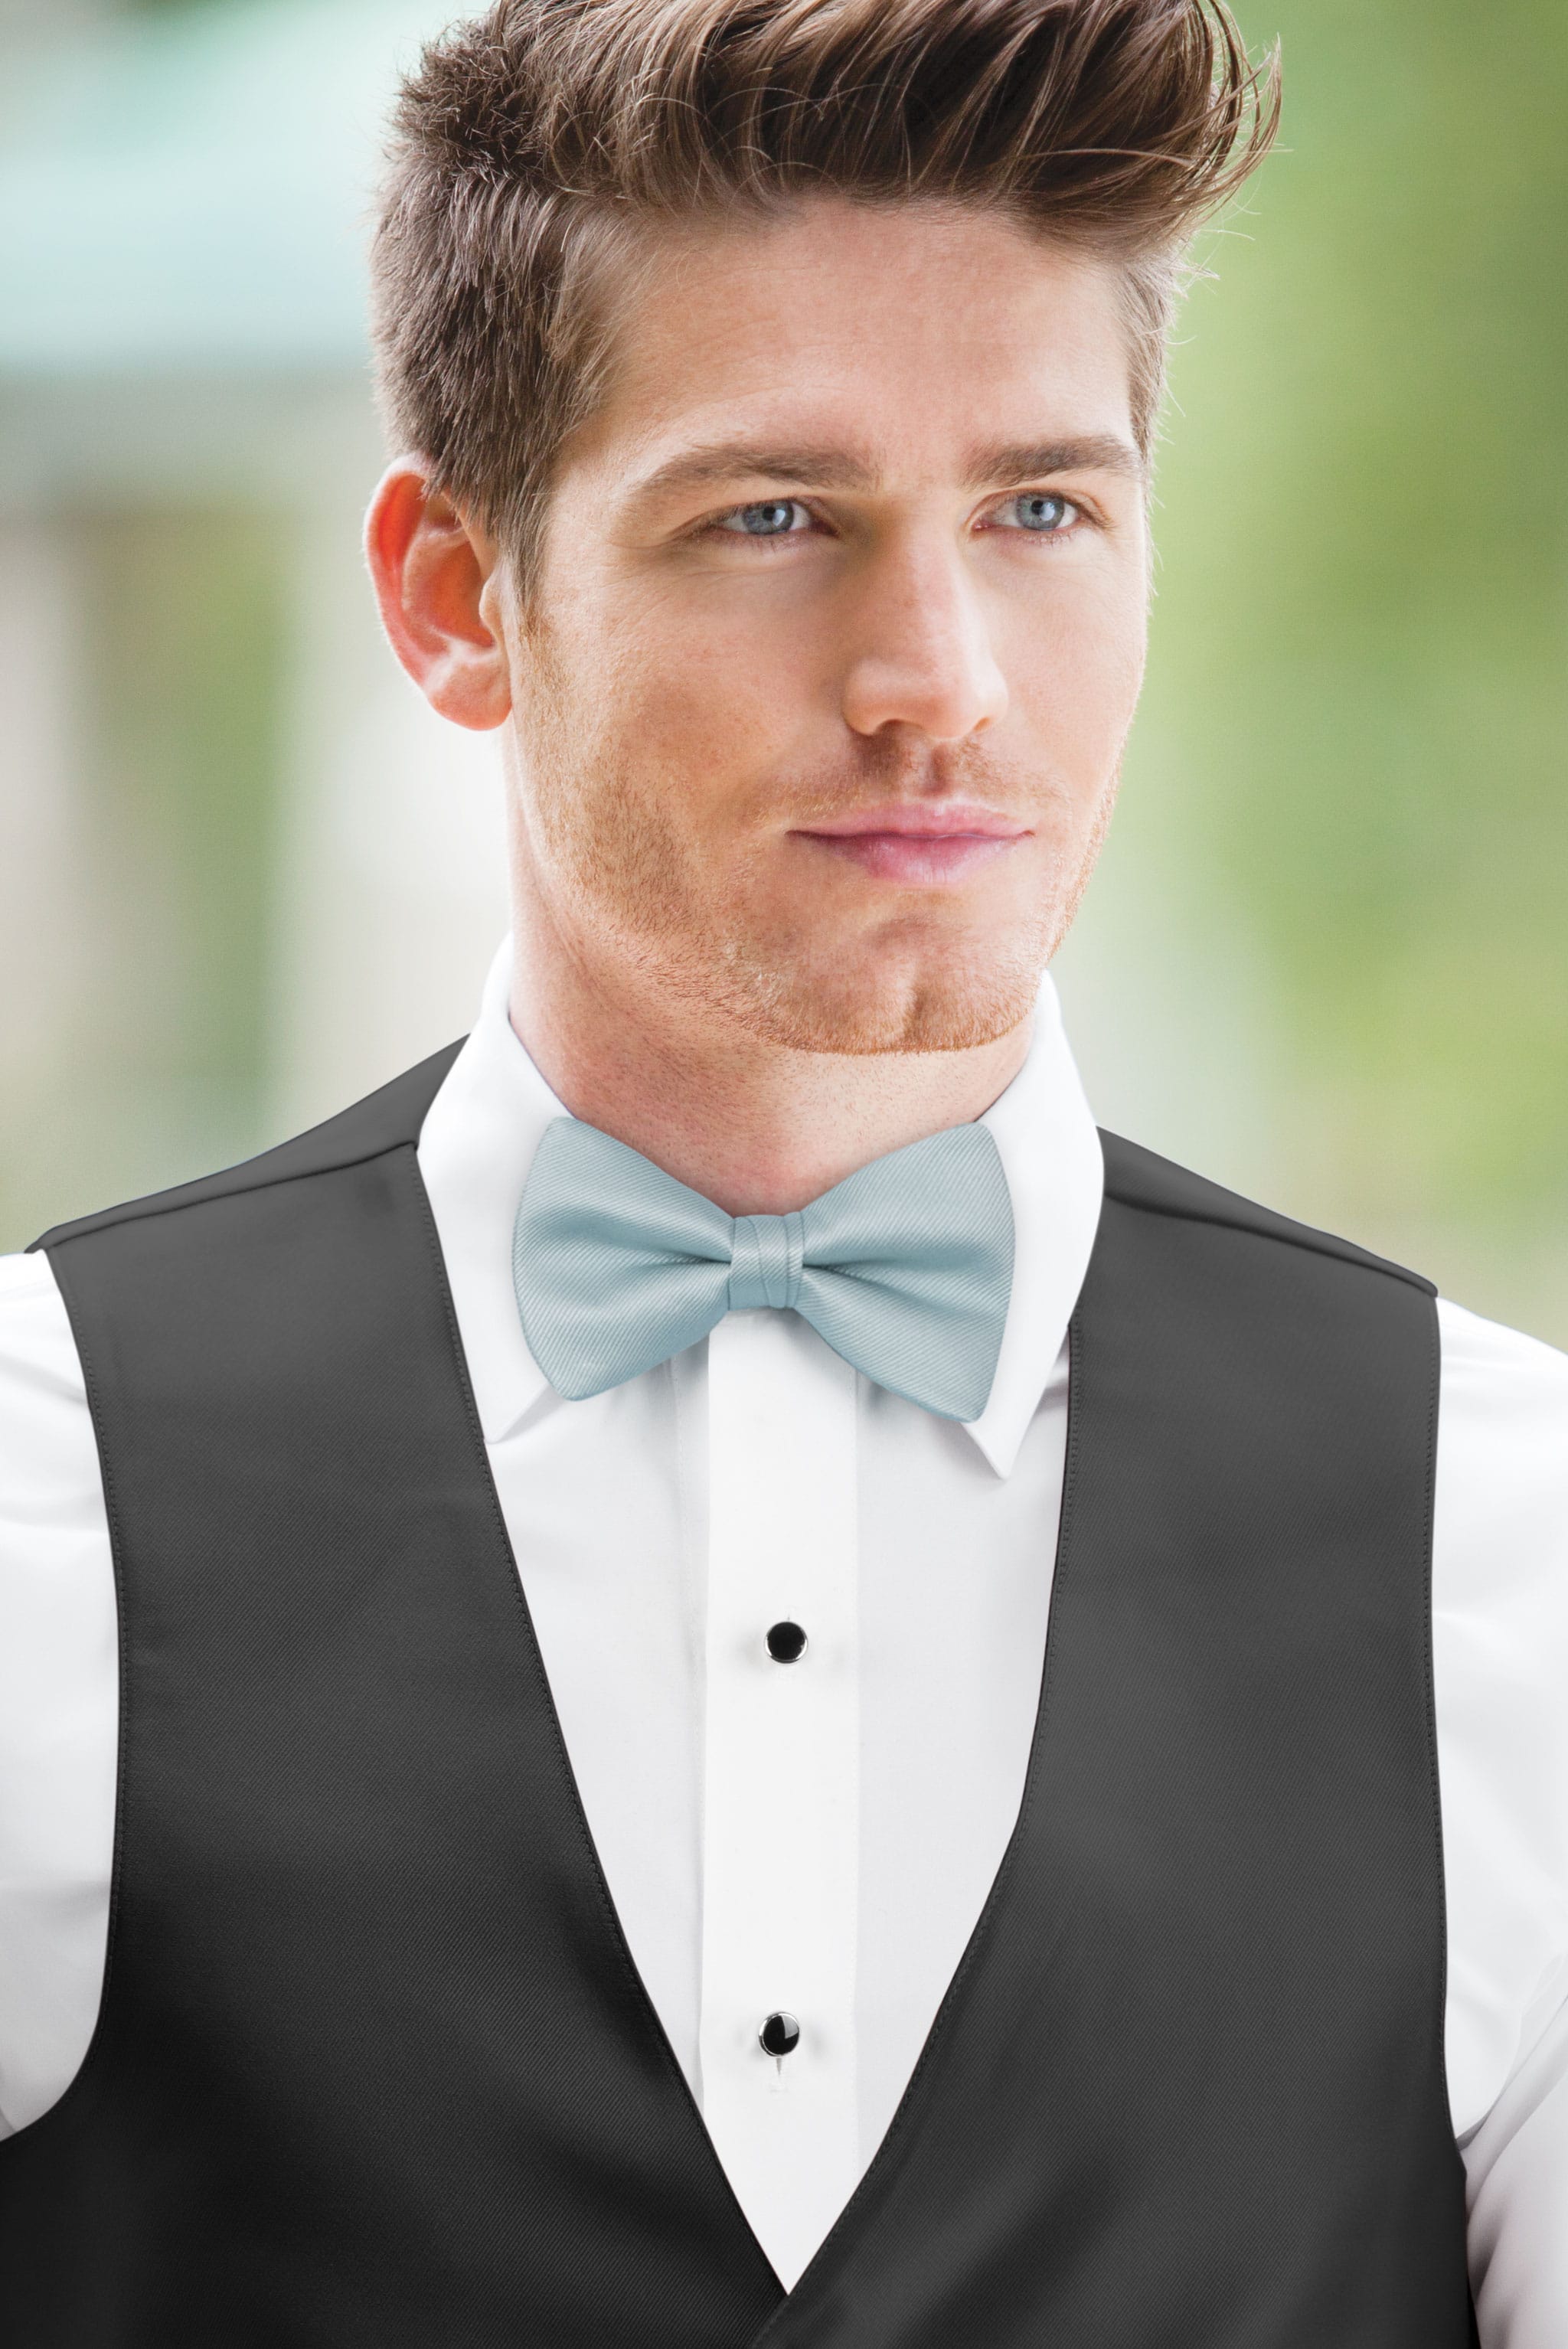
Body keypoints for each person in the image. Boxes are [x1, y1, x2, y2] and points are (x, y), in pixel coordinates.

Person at [0, 0, 1563, 2339]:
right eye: (773, 517)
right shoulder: (35, 1496)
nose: (937, 673)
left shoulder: (1516, 1547)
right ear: (453, 595)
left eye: (1040, 508)